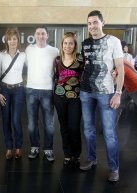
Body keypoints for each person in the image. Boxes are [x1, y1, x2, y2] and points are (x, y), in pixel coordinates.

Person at [79, 10, 124, 182]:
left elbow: (120, 68)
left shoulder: (113, 41)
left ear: (103, 22)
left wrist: (118, 93)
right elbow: (86, 66)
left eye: (95, 22)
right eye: (89, 23)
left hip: (106, 93)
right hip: (86, 91)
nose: (92, 26)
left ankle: (114, 167)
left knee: (109, 132)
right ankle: (91, 158)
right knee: (88, 129)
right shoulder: (84, 43)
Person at [25, 26, 59, 162]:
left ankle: (48, 149)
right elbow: (27, 65)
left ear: (47, 35)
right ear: (34, 35)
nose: (40, 36)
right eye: (38, 33)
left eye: (43, 33)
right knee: (32, 123)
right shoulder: (29, 49)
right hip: (31, 90)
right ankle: (34, 147)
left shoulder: (54, 51)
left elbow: (58, 69)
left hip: (47, 90)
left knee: (49, 123)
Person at [0, 28, 26, 159]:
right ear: (6, 40)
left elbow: (32, 68)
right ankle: (9, 147)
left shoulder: (23, 55)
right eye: (10, 39)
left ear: (18, 40)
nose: (12, 41)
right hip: (5, 90)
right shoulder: (1, 55)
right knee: (6, 120)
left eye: (14, 39)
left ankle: (18, 147)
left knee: (16, 119)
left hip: (19, 90)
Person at [53, 32, 83, 166]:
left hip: (75, 98)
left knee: (74, 127)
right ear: (62, 44)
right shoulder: (57, 60)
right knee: (63, 127)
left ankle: (76, 154)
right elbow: (55, 77)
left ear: (75, 45)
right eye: (65, 43)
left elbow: (86, 76)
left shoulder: (80, 59)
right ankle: (67, 154)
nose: (68, 46)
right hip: (59, 98)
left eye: (71, 43)